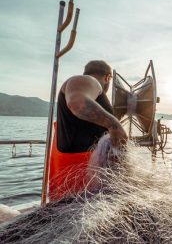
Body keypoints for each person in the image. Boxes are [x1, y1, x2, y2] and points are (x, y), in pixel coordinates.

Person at [49, 60, 127, 201]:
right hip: (80, 190)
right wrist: (115, 126)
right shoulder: (87, 80)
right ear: (107, 77)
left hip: (72, 191)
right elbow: (77, 103)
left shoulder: (89, 90)